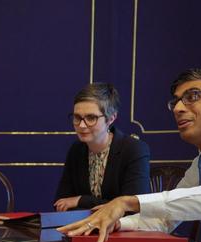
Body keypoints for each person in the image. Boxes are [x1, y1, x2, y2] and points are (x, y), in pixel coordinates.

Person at [59, 69, 201, 242]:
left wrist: (125, 201)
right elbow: (164, 220)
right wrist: (117, 223)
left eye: (192, 97)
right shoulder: (200, 164)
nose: (178, 108)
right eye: (176, 101)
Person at [54, 82, 151, 211]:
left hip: (124, 229)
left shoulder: (134, 149)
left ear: (111, 118)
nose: (82, 125)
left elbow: (133, 207)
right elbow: (61, 203)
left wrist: (81, 200)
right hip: (84, 228)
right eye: (77, 117)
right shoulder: (76, 150)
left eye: (91, 118)